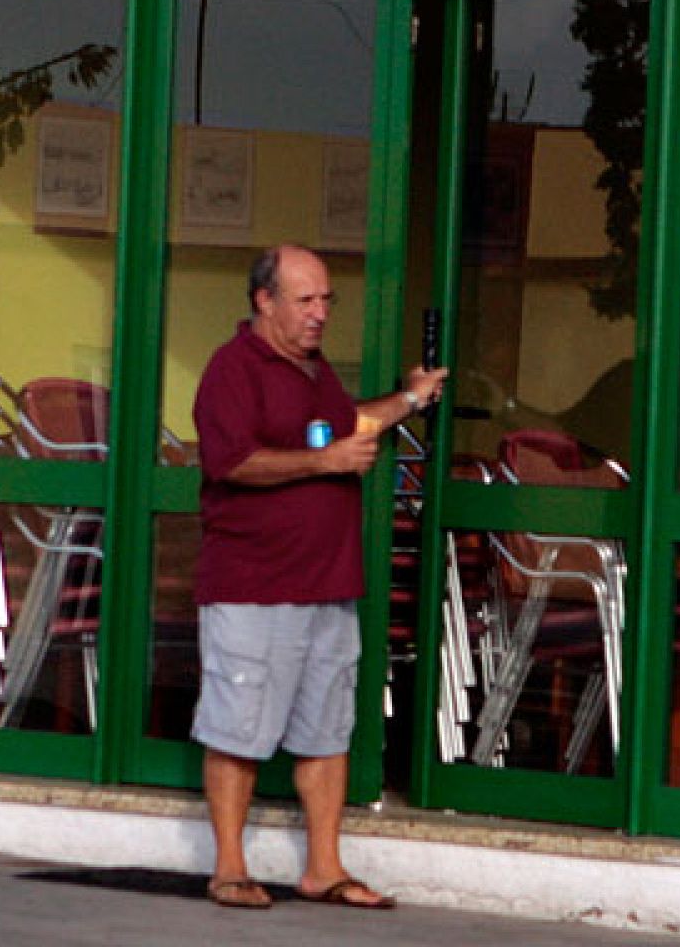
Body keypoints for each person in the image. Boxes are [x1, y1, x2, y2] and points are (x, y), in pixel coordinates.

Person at [190, 243, 447, 911]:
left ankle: (324, 869)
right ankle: (228, 868)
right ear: (264, 301)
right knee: (237, 728)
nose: (320, 313)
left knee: (327, 733)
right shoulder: (232, 369)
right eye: (305, 300)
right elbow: (233, 462)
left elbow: (346, 426)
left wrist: (411, 399)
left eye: (326, 299)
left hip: (328, 584)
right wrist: (325, 462)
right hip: (254, 584)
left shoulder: (314, 372)